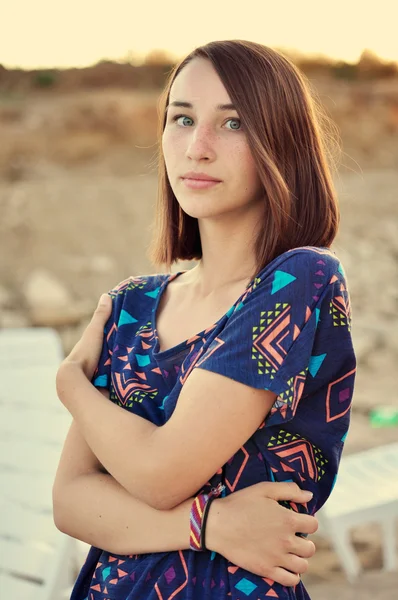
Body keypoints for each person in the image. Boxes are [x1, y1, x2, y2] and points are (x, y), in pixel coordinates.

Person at [53, 39, 356, 600]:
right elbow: (71, 502)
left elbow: (162, 474)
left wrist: (71, 386)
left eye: (234, 123)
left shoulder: (297, 281)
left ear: (282, 142)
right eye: (182, 118)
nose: (197, 147)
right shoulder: (132, 304)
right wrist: (211, 526)